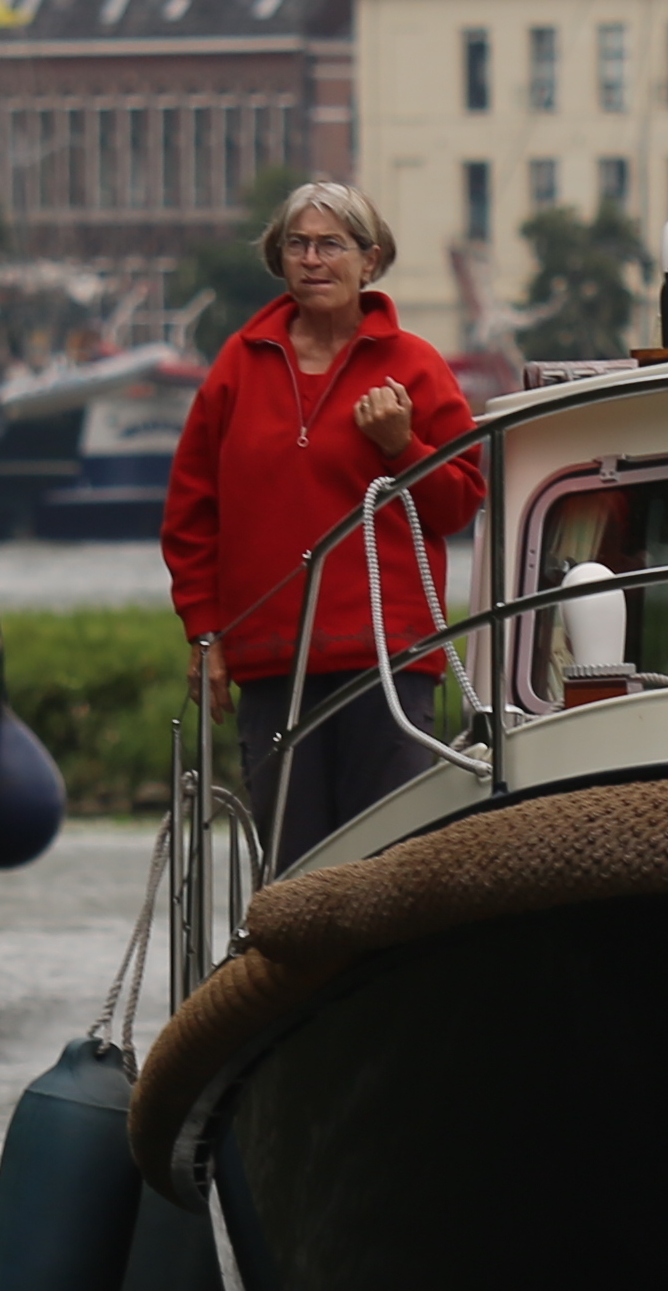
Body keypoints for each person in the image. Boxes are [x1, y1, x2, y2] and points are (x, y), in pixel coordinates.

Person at [162, 178, 486, 862]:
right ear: (279, 259)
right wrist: (204, 633)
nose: (312, 260)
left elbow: (460, 502)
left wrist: (403, 446)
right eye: (297, 245)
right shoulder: (236, 367)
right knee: (294, 868)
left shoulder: (417, 368)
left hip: (388, 660)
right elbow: (192, 515)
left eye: (330, 245)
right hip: (273, 659)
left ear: (370, 260)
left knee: (386, 863)